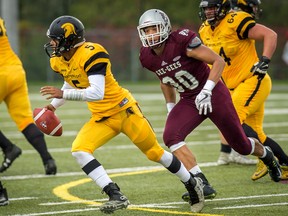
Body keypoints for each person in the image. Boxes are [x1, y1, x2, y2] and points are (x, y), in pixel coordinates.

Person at [40, 15, 205, 214]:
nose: (52, 43)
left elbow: (96, 92)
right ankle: (114, 194)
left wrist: (62, 94)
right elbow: (73, 80)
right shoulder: (58, 60)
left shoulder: (92, 53)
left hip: (124, 111)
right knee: (79, 150)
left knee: (155, 153)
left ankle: (191, 183)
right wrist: (54, 106)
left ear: (69, 39)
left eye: (55, 39)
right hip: (102, 118)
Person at [137, 8, 282, 202]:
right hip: (189, 99)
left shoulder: (181, 41)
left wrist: (207, 90)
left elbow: (218, 61)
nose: (151, 34)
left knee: (240, 145)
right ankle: (201, 182)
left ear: (164, 27)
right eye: (146, 31)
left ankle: (267, 154)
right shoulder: (146, 56)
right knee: (171, 136)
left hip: (213, 93)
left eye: (154, 29)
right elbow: (164, 80)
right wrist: (171, 106)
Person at [198, 0, 288, 181]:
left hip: (252, 80)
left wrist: (265, 60)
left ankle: (268, 157)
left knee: (232, 121)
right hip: (232, 86)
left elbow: (270, 35)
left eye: (212, 7)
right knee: (257, 133)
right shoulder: (204, 30)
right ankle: (284, 165)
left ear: (223, 7)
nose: (208, 12)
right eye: (206, 8)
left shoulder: (236, 20)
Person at [0, 17, 57, 175]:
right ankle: (48, 160)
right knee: (25, 120)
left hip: (1, 73)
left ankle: (8, 147)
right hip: (15, 69)